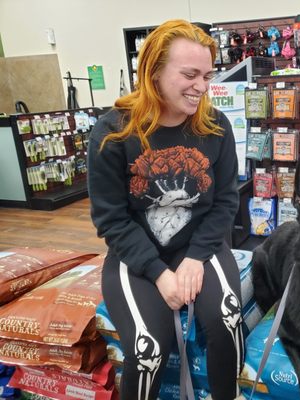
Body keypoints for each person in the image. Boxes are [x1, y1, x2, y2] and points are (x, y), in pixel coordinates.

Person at [87, 19, 244, 400]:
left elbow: (225, 201)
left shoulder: (215, 127)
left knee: (227, 322)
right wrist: (159, 274)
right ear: (154, 72)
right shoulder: (112, 133)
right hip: (136, 253)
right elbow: (111, 219)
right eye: (190, 74)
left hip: (200, 245)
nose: (202, 87)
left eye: (207, 75)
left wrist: (194, 259)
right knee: (148, 351)